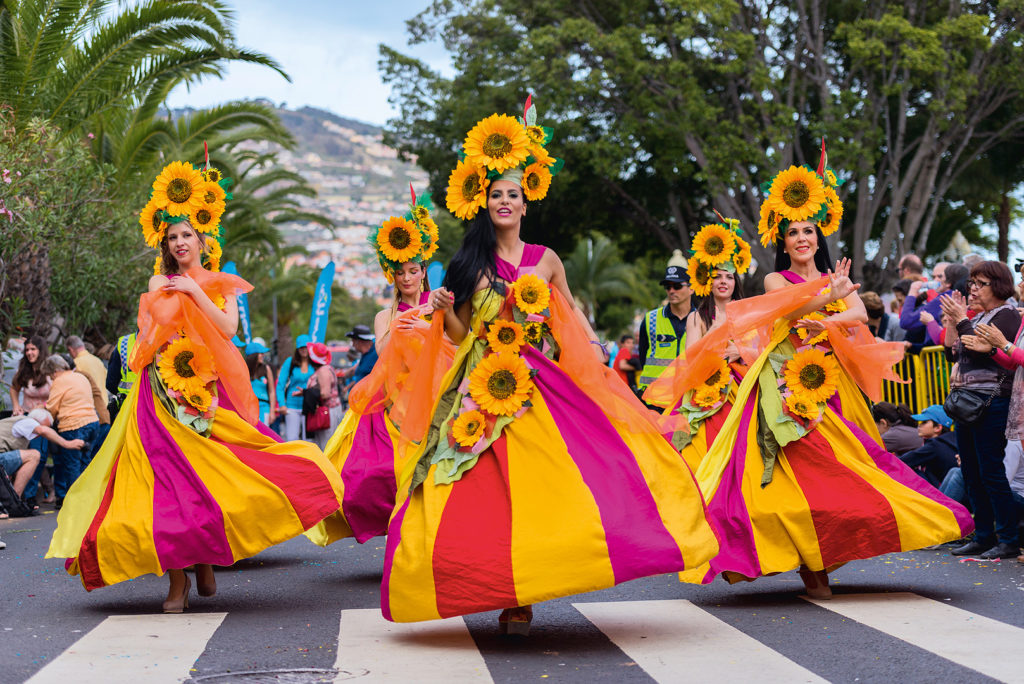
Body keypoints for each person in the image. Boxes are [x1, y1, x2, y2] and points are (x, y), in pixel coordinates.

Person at [380, 99, 717, 632]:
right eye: (496, 195)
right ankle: (512, 594)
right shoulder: (470, 264)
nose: (505, 202)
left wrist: (594, 349)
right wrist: (445, 316)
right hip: (485, 386)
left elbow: (571, 316)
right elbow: (462, 334)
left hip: (541, 384)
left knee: (563, 481)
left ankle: (552, 570)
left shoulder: (547, 259)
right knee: (482, 491)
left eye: (513, 194)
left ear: (526, 202)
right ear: (483, 205)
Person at [47, 159, 343, 613]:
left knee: (211, 480)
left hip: (208, 391)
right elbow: (150, 333)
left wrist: (192, 291)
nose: (180, 242)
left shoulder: (220, 284)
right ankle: (178, 579)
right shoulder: (156, 280)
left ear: (203, 240)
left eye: (187, 235)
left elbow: (226, 328)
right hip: (159, 392)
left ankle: (203, 556)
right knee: (165, 484)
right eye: (172, 237)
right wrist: (170, 302)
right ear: (164, 243)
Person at [678, 150, 972, 599]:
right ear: (784, 240)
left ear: (818, 238)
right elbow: (791, 307)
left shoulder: (837, 277)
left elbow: (856, 312)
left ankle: (825, 557)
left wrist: (830, 317)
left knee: (846, 474)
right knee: (789, 480)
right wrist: (824, 299)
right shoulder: (777, 280)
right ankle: (806, 567)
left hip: (831, 386)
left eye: (808, 231)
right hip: (782, 389)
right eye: (793, 232)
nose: (800, 238)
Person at [307, 192, 455, 546]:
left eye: (414, 271)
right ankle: (406, 537)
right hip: (395, 405)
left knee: (437, 471)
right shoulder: (383, 316)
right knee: (380, 475)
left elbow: (455, 345)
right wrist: (406, 321)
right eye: (400, 272)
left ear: (423, 272)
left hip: (438, 399)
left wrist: (430, 317)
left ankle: (433, 539)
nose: (407, 278)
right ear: (392, 275)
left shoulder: (441, 304)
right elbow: (383, 351)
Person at [644, 218, 750, 472]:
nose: (723, 281)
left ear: (736, 282)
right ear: (709, 283)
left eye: (729, 277)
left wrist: (742, 351)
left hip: (742, 391)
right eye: (717, 276)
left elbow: (761, 349)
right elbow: (692, 357)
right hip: (707, 391)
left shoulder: (746, 314)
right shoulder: (698, 316)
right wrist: (715, 332)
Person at [941, 261, 1021, 560]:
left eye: (979, 284)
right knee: (971, 471)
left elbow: (980, 347)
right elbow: (953, 349)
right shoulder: (980, 316)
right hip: (967, 401)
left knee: (991, 471)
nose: (972, 289)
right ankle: (983, 534)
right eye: (971, 283)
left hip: (992, 401)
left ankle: (1008, 537)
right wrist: (953, 319)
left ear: (998, 286)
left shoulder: (1007, 314)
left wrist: (962, 319)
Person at [41, 354, 100, 508]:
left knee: (72, 466)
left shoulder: (59, 381)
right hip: (92, 422)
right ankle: (87, 501)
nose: (51, 379)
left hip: (73, 427)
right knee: (85, 463)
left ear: (53, 371)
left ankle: (75, 504)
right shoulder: (80, 377)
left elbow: (51, 408)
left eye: (49, 375)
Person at [0, 409, 85, 500]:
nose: (43, 437)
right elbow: (42, 430)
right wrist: (67, 444)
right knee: (34, 455)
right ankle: (14, 502)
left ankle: (11, 501)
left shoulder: (18, 429)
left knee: (26, 460)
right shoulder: (26, 421)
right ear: (36, 421)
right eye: (46, 427)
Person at [636, 265, 691, 394]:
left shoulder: (701, 320)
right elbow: (643, 356)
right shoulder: (650, 318)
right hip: (652, 398)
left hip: (686, 397)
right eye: (668, 287)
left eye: (677, 286)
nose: (672, 291)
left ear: (692, 288)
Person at [898, 405, 958, 489]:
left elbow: (903, 461)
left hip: (943, 493)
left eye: (924, 422)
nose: (919, 425)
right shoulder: (951, 440)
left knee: (914, 472)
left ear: (937, 428)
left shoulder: (935, 445)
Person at [275, 334, 314, 441]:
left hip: (310, 407)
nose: (304, 349)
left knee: (310, 441)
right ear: (297, 349)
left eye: (306, 347)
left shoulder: (315, 362)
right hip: (292, 407)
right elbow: (280, 385)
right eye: (301, 347)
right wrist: (282, 404)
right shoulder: (290, 362)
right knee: (292, 440)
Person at [306, 341, 342, 449]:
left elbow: (325, 394)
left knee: (325, 445)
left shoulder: (323, 371)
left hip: (326, 413)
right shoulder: (326, 369)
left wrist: (308, 394)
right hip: (329, 411)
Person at [105, 332, 138, 422]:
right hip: (157, 412)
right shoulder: (165, 341)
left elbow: (110, 383)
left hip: (127, 411)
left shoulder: (125, 343)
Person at [66, 335, 108, 405]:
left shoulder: (76, 363)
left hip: (89, 406)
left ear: (70, 349)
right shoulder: (98, 361)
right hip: (104, 404)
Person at [245, 341, 275, 424]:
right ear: (253, 355)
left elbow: (271, 391)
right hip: (249, 408)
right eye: (261, 353)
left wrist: (272, 411)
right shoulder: (244, 370)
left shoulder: (266, 369)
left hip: (264, 407)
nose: (263, 355)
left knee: (264, 435)